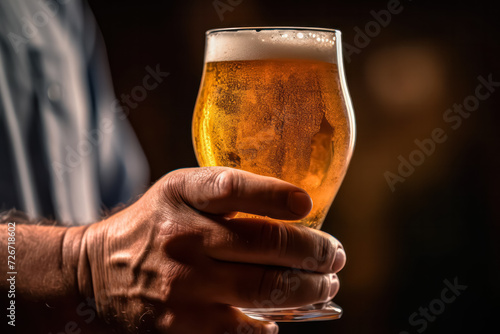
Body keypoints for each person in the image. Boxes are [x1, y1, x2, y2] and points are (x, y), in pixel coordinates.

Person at [0, 1, 346, 333]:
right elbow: (105, 255)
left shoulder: (59, 9)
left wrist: (190, 267)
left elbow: (117, 203)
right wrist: (83, 269)